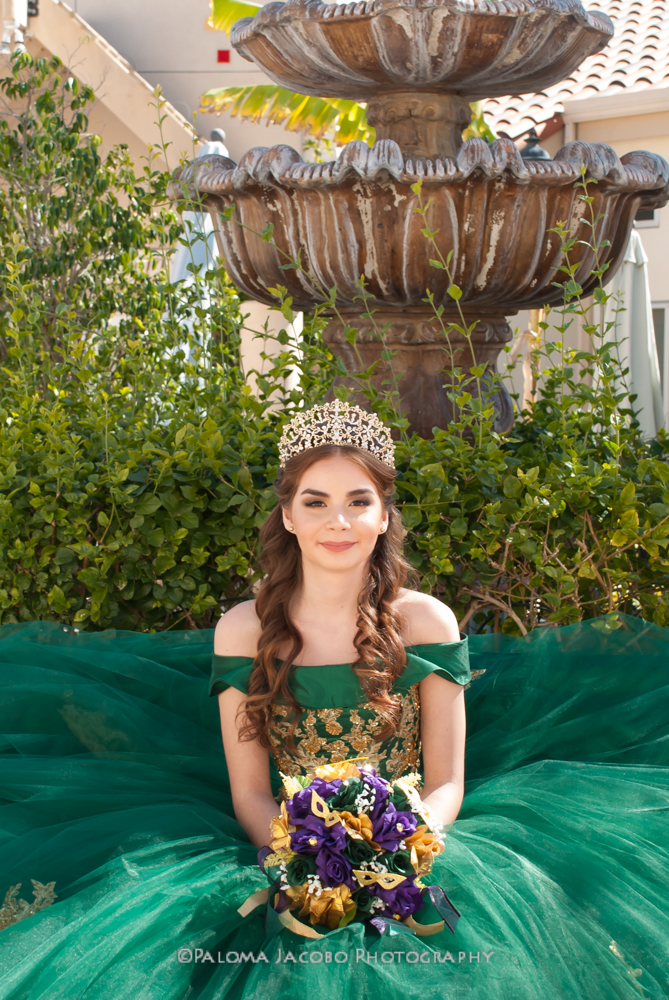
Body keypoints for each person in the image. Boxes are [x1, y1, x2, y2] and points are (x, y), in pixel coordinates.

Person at [0, 401, 668, 1000]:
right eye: (315, 502)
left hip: (417, 838)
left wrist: (397, 853)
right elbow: (249, 794)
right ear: (287, 516)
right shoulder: (243, 630)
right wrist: (307, 865)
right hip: (282, 843)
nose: (338, 521)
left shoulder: (427, 624)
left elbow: (447, 781)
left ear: (383, 516)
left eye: (357, 500)